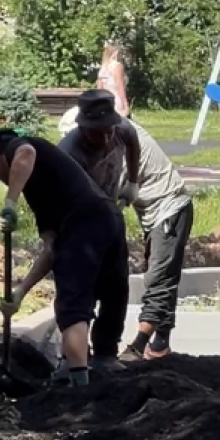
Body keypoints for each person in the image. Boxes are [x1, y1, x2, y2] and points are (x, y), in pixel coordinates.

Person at [0, 127, 129, 386]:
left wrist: (10, 203)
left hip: (85, 223)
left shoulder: (20, 147)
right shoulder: (43, 189)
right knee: (111, 290)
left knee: (72, 305)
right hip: (108, 218)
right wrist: (20, 293)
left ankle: (79, 386)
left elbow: (25, 154)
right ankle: (101, 363)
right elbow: (51, 250)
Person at [58, 89, 195, 361]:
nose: (105, 137)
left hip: (168, 205)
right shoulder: (71, 153)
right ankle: (154, 346)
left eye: (108, 130)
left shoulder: (120, 130)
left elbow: (128, 147)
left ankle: (141, 345)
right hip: (126, 213)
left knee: (156, 277)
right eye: (98, 132)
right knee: (149, 275)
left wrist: (132, 183)